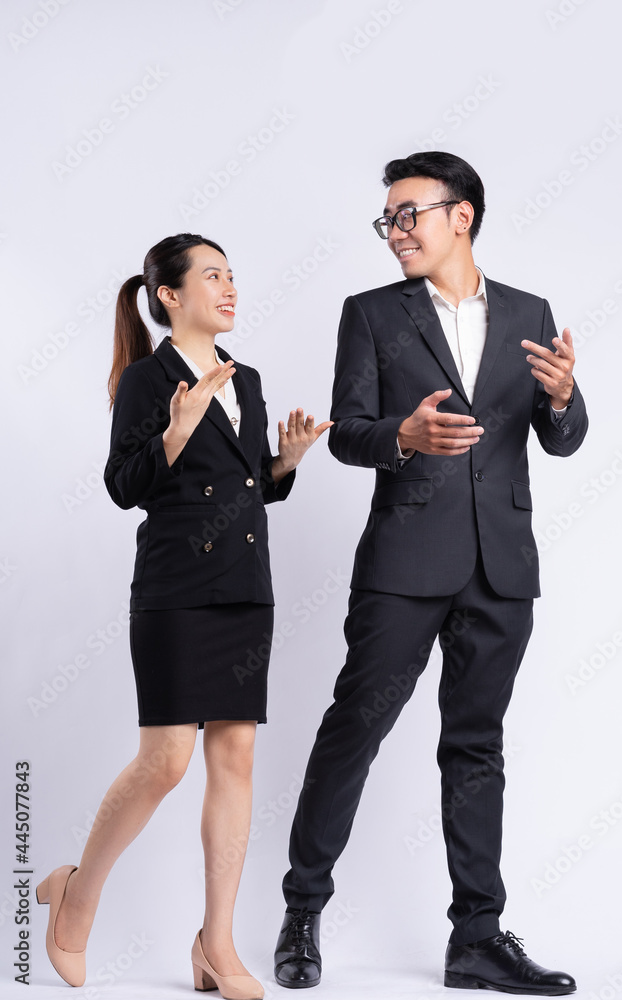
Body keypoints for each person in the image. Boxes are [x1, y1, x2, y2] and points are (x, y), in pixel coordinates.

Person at [273, 152, 588, 995]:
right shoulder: (372, 315)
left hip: (499, 567)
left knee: (475, 747)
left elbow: (559, 439)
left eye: (409, 214)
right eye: (388, 219)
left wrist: (563, 398)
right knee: (353, 733)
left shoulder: (529, 311)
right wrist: (400, 439)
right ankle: (301, 913)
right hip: (403, 562)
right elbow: (347, 433)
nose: (395, 231)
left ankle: (476, 940)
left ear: (463, 215)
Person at [36, 233, 331, 999]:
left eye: (233, 275)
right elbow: (122, 485)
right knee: (165, 760)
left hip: (244, 589)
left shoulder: (248, 378)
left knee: (235, 761)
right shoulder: (147, 378)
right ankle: (76, 893)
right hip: (173, 591)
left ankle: (216, 943)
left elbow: (244, 490)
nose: (229, 288)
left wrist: (284, 465)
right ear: (169, 295)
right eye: (212, 276)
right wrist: (171, 431)